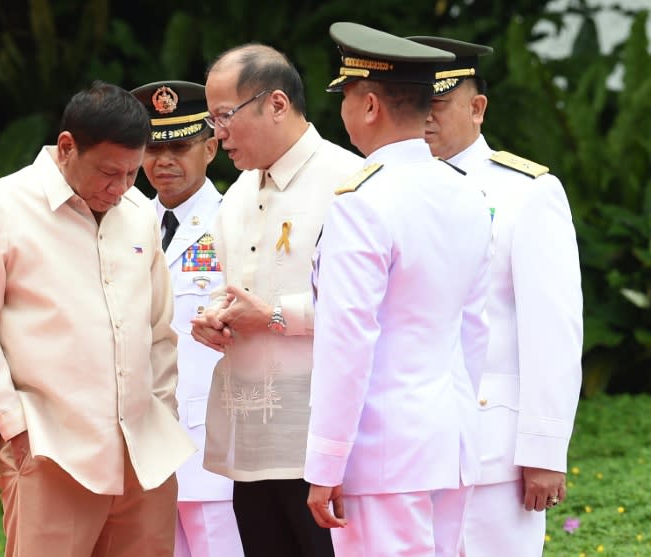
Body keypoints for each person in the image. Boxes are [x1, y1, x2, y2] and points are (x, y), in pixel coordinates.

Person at [0, 81, 195, 557]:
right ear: (66, 147)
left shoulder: (139, 214)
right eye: (107, 173)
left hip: (145, 453)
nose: (118, 189)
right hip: (50, 447)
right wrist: (15, 426)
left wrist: (161, 409)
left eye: (130, 174)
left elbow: (159, 330)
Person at [304, 22, 492, 557]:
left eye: (345, 97)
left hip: (382, 451)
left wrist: (326, 463)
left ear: (368, 106)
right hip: (450, 441)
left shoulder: (363, 200)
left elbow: (347, 342)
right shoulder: (468, 194)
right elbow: (472, 331)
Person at [408, 35, 583, 556]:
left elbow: (552, 330)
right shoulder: (389, 191)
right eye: (416, 103)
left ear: (477, 107)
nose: (426, 117)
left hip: (493, 450)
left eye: (438, 103)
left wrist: (545, 451)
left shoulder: (525, 193)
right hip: (407, 446)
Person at [190, 44, 363, 556]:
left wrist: (274, 316)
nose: (216, 134)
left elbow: (372, 310)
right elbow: (233, 287)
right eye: (212, 118)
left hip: (321, 440)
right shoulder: (238, 194)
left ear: (277, 104)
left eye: (224, 116)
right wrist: (216, 320)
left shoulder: (347, 182)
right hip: (251, 438)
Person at [131, 80, 244, 557]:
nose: (164, 161)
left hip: (211, 435)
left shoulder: (235, 218)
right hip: (143, 433)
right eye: (153, 147)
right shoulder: (126, 220)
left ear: (211, 147)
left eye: (179, 145)